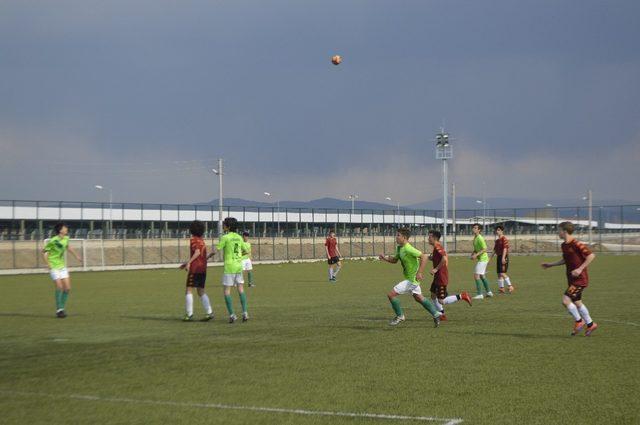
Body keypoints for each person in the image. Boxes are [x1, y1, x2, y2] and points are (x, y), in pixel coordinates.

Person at [541, 221, 598, 336]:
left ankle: (579, 321)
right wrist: (551, 264)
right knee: (577, 302)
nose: (558, 233)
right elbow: (565, 260)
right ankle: (591, 324)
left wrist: (580, 269)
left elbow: (591, 255)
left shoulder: (576, 244)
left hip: (580, 279)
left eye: (559, 231)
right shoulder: (564, 245)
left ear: (564, 231)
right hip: (571, 279)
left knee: (565, 300)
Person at [378, 228, 441, 327]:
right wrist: (385, 258)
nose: (396, 237)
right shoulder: (399, 248)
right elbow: (394, 260)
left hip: (412, 279)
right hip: (410, 278)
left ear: (404, 237)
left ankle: (400, 316)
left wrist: (420, 272)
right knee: (418, 298)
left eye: (398, 235)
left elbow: (424, 257)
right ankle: (436, 314)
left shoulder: (408, 248)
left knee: (391, 295)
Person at [211, 217, 249, 323]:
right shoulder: (239, 237)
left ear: (228, 226)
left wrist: (207, 257)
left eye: (224, 224)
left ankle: (232, 315)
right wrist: (238, 258)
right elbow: (245, 251)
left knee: (227, 291)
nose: (223, 226)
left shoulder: (225, 237)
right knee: (241, 289)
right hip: (238, 266)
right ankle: (245, 313)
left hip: (229, 267)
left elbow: (216, 250)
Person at [428, 230, 472, 320]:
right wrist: (432, 258)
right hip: (437, 277)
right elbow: (440, 258)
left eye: (430, 237)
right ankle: (442, 315)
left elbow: (444, 258)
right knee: (433, 295)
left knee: (441, 300)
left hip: (441, 276)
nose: (428, 238)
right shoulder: (435, 247)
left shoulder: (438, 246)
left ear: (435, 238)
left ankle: (462, 296)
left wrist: (436, 269)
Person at [42, 222, 82, 318]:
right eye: (65, 228)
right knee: (59, 286)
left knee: (67, 288)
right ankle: (59, 309)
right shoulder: (53, 240)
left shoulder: (66, 239)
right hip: (53, 266)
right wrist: (48, 264)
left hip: (62, 266)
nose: (66, 229)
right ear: (60, 230)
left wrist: (77, 256)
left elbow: (68, 247)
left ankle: (62, 308)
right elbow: (44, 253)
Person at [179, 220, 213, 321]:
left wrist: (189, 263)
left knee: (189, 290)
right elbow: (201, 256)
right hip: (203, 269)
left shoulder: (193, 240)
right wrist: (187, 262)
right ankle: (209, 312)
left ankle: (189, 314)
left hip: (194, 269)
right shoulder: (202, 241)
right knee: (201, 291)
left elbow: (197, 252)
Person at [471, 223, 493, 300]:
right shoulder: (475, 238)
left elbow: (485, 249)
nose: (474, 229)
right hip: (482, 259)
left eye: (475, 228)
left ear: (479, 230)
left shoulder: (480, 238)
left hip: (483, 259)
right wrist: (473, 253)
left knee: (476, 275)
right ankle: (489, 292)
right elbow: (477, 248)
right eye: (473, 227)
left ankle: (480, 294)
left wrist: (476, 255)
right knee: (482, 276)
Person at [491, 225, 514, 294]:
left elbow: (505, 248)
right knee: (499, 273)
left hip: (503, 257)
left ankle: (510, 286)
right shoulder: (497, 240)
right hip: (499, 257)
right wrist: (490, 258)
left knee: (502, 273)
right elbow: (494, 250)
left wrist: (503, 258)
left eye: (498, 230)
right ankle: (501, 288)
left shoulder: (504, 239)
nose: (497, 231)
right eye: (496, 230)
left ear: (502, 231)